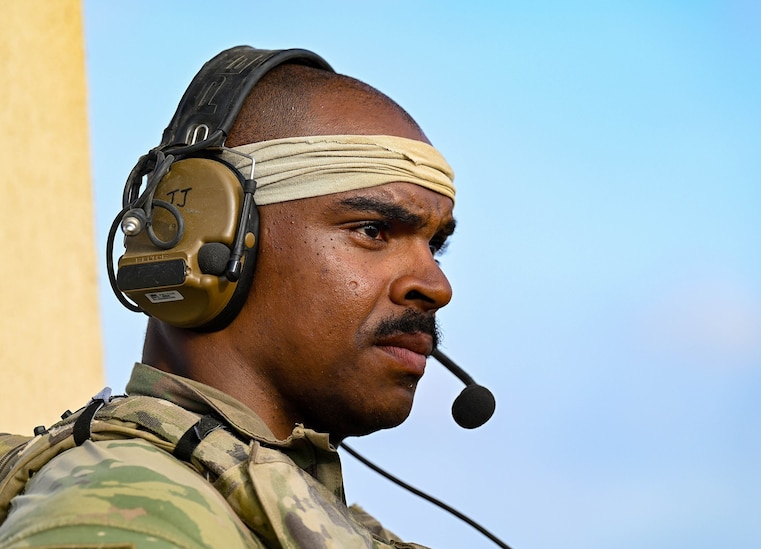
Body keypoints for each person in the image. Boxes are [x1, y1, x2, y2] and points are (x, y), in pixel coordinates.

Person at [0, 46, 455, 548]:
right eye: (373, 229)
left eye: (434, 245)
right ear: (206, 237)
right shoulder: (136, 512)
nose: (436, 286)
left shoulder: (253, 509)